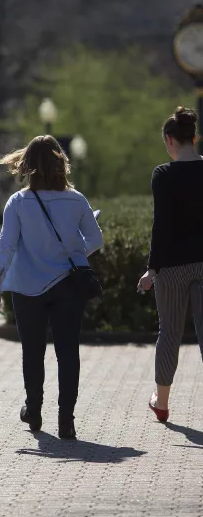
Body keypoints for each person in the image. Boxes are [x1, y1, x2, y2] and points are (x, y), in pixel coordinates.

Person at [0, 136, 103, 439]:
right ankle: (66, 418)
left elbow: (7, 247)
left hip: (27, 287)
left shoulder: (18, 203)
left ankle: (34, 410)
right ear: (59, 163)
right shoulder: (76, 200)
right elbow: (96, 239)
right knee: (67, 352)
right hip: (68, 284)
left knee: (32, 351)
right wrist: (73, 253)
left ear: (27, 166)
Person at [138, 107, 203, 423]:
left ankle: (161, 402)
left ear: (169, 140)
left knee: (170, 333)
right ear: (194, 137)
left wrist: (152, 268)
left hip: (173, 267)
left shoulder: (163, 175)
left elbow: (160, 224)